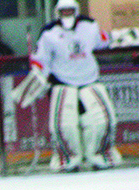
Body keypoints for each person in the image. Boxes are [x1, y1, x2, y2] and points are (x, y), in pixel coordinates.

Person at [11, 0, 120, 171]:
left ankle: (102, 157)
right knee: (63, 126)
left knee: (104, 120)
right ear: (57, 12)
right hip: (63, 83)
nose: (67, 14)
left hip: (90, 80)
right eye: (63, 11)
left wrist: (127, 36)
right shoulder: (49, 33)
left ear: (76, 10)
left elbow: (105, 40)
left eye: (70, 10)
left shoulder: (90, 26)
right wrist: (38, 74)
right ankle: (68, 160)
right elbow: (41, 59)